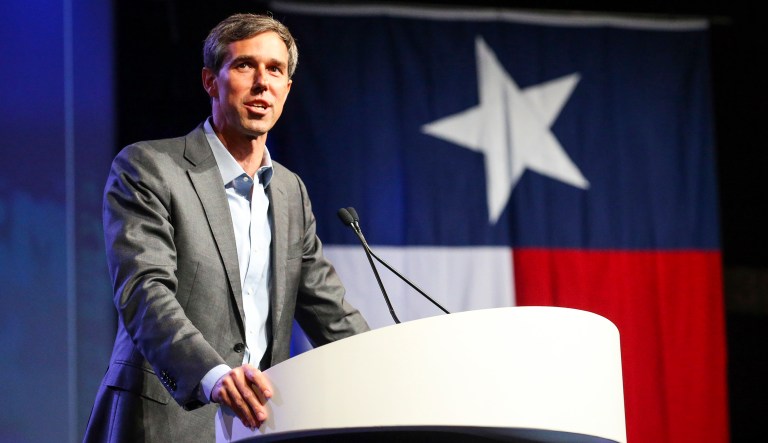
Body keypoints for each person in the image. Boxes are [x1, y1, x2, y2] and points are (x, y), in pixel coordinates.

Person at [84, 13, 369, 442]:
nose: (262, 83)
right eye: (244, 66)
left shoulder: (290, 191)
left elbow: (331, 313)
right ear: (210, 81)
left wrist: (393, 367)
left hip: (259, 426)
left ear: (287, 89)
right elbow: (144, 292)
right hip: (161, 422)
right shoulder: (149, 168)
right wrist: (213, 375)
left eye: (275, 70)